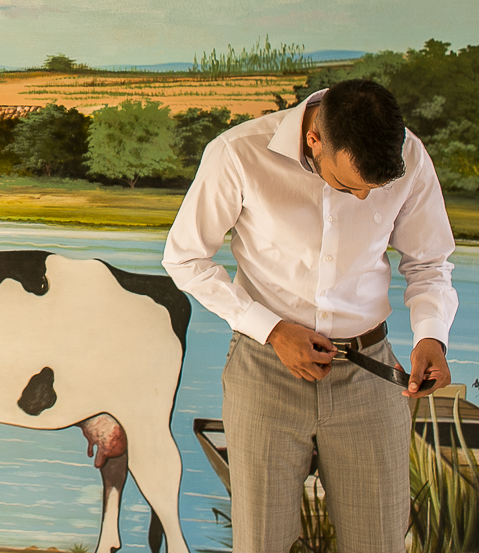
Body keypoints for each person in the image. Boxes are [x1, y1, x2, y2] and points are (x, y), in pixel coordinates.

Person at [162, 78, 457, 552]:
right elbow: (184, 259)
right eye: (347, 185)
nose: (361, 200)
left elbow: (429, 263)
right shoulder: (237, 153)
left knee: (380, 543)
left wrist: (431, 336)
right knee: (261, 544)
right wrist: (273, 330)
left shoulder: (411, 156)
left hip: (370, 374)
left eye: (373, 190)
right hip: (265, 371)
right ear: (314, 140)